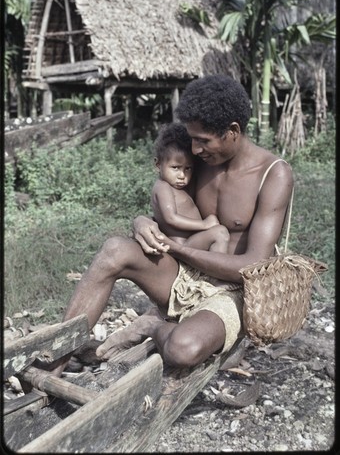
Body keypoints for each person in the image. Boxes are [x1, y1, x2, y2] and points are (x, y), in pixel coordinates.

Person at [52, 74, 293, 375]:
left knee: (182, 349)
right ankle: (54, 363)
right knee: (115, 250)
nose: (194, 149)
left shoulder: (273, 174)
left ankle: (153, 325)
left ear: (233, 131)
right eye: (192, 139)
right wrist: (141, 222)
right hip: (183, 275)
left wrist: (179, 250)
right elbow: (176, 218)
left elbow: (254, 264)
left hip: (232, 290)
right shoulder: (202, 163)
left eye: (203, 140)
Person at [151, 122, 230, 252]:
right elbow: (171, 218)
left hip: (190, 242)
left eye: (187, 168)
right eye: (175, 168)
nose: (182, 175)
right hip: (182, 245)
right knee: (220, 233)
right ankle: (218, 271)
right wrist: (204, 224)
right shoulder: (163, 187)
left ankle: (213, 267)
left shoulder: (177, 188)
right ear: (158, 165)